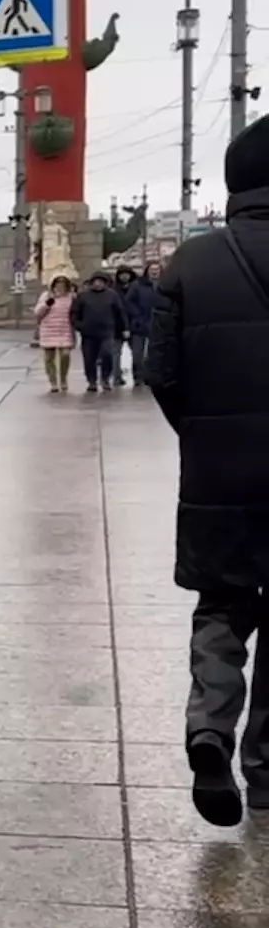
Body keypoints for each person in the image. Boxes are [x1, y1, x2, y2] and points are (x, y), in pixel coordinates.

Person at [145, 117, 269, 827]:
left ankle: (209, 734)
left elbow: (162, 373)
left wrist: (204, 437)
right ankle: (266, 771)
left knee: (222, 606)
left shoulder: (192, 263)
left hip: (219, 479)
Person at [69, 271, 128, 392]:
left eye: (101, 282)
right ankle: (92, 381)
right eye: (95, 282)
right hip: (88, 333)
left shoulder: (112, 295)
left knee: (107, 354)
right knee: (89, 358)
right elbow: (74, 313)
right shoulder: (83, 296)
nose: (98, 284)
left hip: (107, 331)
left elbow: (120, 312)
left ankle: (105, 378)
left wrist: (125, 328)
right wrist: (80, 326)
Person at [34, 275, 76, 393]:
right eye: (57, 283)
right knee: (49, 358)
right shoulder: (46, 296)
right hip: (48, 329)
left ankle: (63, 378)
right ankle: (53, 382)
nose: (60, 286)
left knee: (65, 355)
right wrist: (48, 303)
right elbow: (37, 312)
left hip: (65, 329)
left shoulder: (71, 297)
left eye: (62, 283)